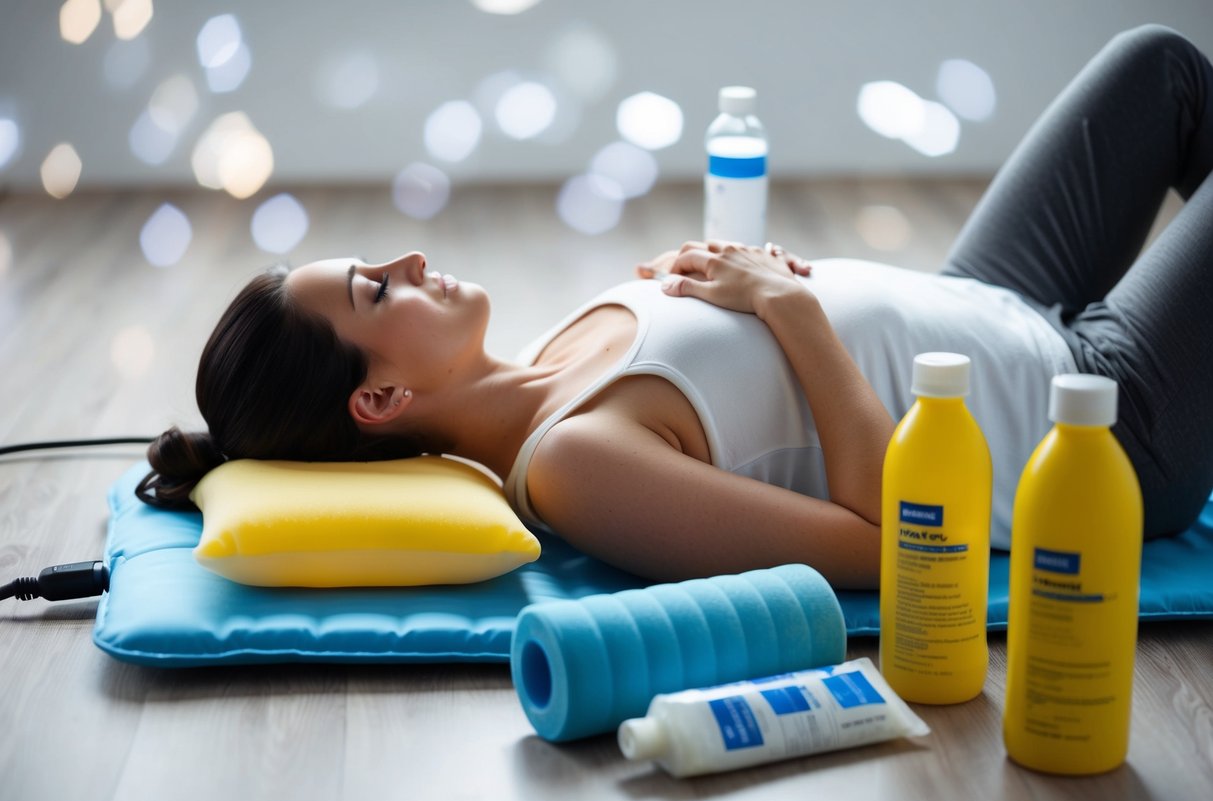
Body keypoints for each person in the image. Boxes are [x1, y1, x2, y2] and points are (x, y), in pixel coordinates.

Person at [138, 25, 1213, 590]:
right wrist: (792, 316)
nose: (412, 257)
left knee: (1155, 68)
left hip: (983, 302)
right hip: (1095, 419)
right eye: (378, 288)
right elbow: (894, 541)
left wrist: (761, 285)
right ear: (379, 397)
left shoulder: (553, 354)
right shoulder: (570, 468)